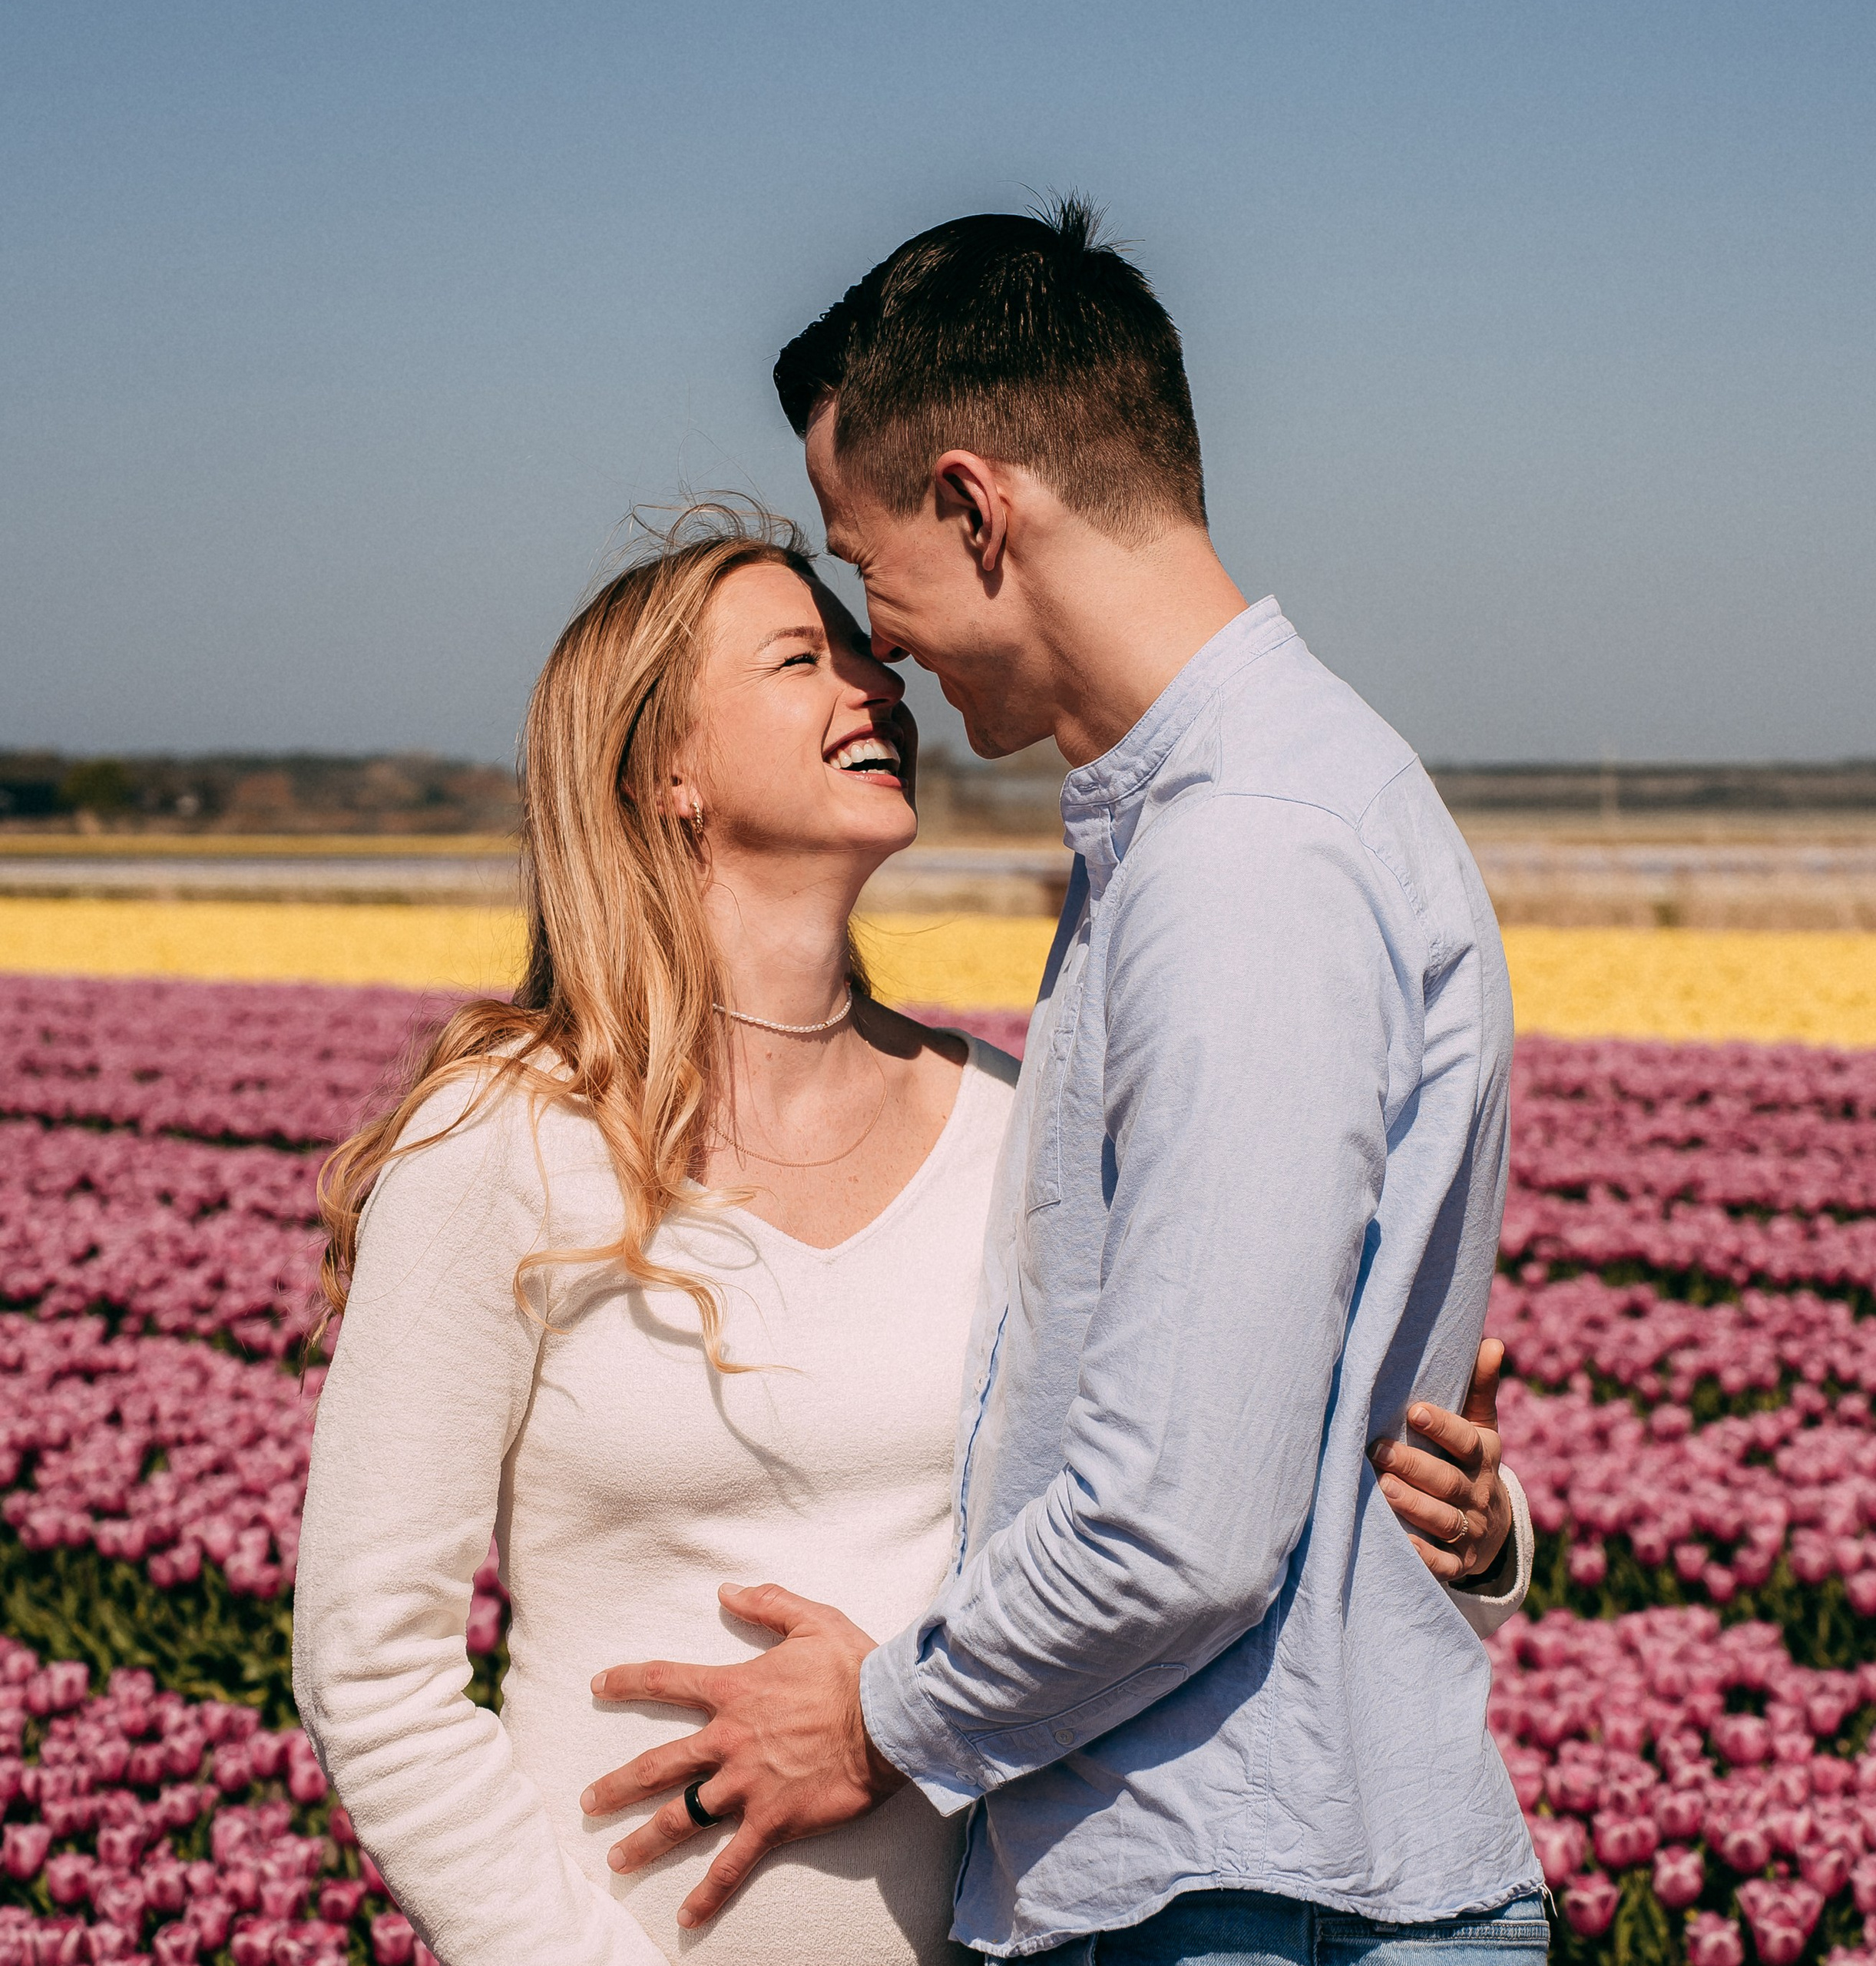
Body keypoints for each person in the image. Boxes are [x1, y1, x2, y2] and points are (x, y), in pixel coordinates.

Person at [292, 504, 1522, 1966]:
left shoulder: (1014, 1128)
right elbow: (373, 1670)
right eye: (799, 661)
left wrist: (1465, 1531)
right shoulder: (506, 1138)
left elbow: (1191, 1485)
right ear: (661, 768)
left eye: (867, 658)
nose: (875, 689)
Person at [576, 204, 1548, 1966]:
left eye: (865, 568)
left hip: (1236, 1893)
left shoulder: (1236, 857)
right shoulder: (1228, 819)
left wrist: (870, 1715)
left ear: (975, 505)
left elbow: (1177, 1517)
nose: (887, 654)